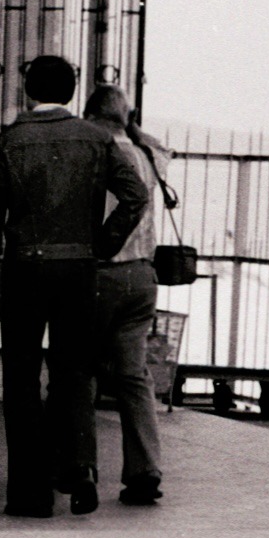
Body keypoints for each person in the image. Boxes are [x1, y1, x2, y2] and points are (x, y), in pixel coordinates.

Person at [0, 55, 149, 517]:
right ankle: (81, 472)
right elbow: (136, 195)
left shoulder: (9, 141)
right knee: (73, 375)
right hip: (79, 270)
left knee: (21, 380)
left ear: (29, 89)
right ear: (71, 92)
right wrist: (102, 244)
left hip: (25, 269)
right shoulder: (97, 139)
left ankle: (30, 493)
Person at [84, 83, 167, 507]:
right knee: (134, 376)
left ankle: (80, 468)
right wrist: (133, 126)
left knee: (79, 371)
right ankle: (145, 469)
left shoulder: (97, 152)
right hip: (143, 277)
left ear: (93, 117)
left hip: (104, 273)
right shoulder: (150, 154)